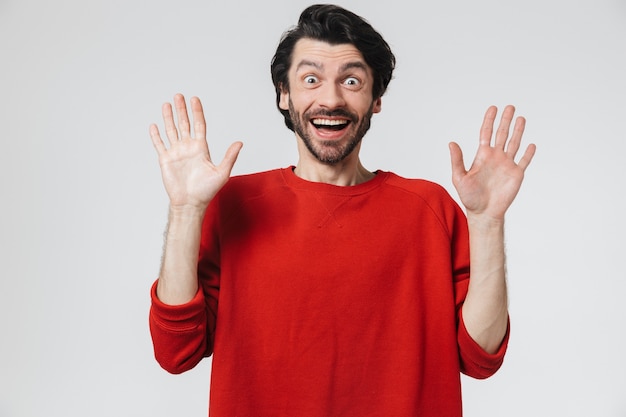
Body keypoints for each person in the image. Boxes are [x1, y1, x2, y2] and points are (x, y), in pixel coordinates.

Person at [148, 4, 536, 417]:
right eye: (310, 79)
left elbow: (482, 356)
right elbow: (176, 352)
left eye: (351, 80)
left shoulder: (429, 210)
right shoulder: (235, 206)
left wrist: (488, 222)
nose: (330, 99)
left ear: (375, 99)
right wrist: (187, 209)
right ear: (285, 94)